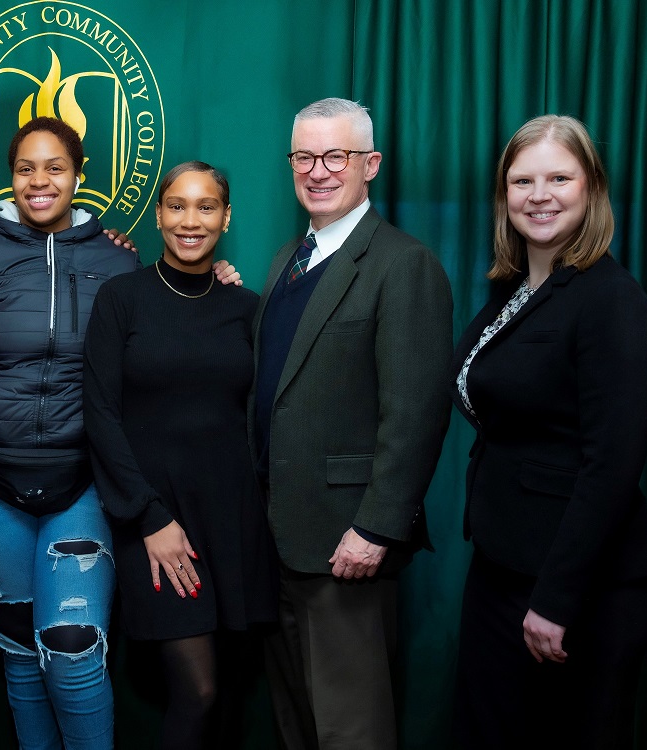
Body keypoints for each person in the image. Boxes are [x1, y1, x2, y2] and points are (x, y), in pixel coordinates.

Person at [451, 115, 647, 749]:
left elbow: (612, 465)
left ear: (592, 189)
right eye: (522, 181)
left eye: (559, 178)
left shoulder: (611, 299)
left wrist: (556, 600)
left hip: (577, 587)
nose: (538, 195)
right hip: (505, 563)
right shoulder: (515, 289)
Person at [249, 98, 453, 750]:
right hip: (279, 536)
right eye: (304, 157)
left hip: (347, 545)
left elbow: (417, 411)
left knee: (352, 730)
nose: (318, 171)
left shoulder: (402, 264)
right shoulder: (287, 259)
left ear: (369, 164)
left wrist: (375, 527)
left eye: (335, 156)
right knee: (297, 725)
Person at [0, 116, 138, 749]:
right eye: (25, 168)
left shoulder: (116, 261)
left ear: (79, 176)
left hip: (82, 482)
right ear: (8, 176)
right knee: (20, 651)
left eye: (55, 167)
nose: (39, 181)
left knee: (72, 651)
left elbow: (145, 364)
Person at [84, 161, 277, 748]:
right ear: (158, 213)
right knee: (197, 693)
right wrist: (149, 517)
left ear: (226, 217)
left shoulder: (248, 308)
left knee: (228, 703)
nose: (190, 221)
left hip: (234, 520)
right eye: (176, 206)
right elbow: (101, 415)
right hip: (157, 520)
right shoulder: (121, 299)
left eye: (205, 206)